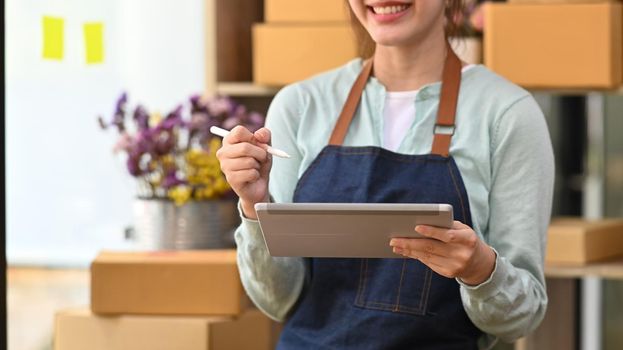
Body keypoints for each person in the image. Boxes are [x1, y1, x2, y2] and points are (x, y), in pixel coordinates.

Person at [216, 1, 554, 349]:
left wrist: (480, 270)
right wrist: (255, 205)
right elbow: (277, 301)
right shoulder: (300, 106)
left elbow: (521, 317)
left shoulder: (507, 115)